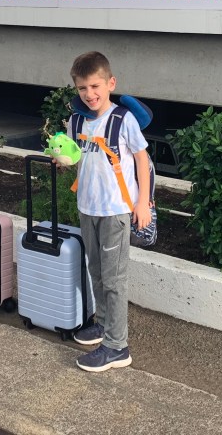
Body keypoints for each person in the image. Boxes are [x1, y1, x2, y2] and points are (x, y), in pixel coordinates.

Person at [67, 51, 150, 371]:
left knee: (114, 280)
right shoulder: (77, 121)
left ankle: (117, 346)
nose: (89, 94)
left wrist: (142, 202)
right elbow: (77, 156)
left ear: (110, 83)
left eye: (95, 86)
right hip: (87, 208)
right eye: (82, 88)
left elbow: (142, 160)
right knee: (97, 272)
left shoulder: (122, 120)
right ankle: (102, 323)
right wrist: (62, 160)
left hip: (115, 211)